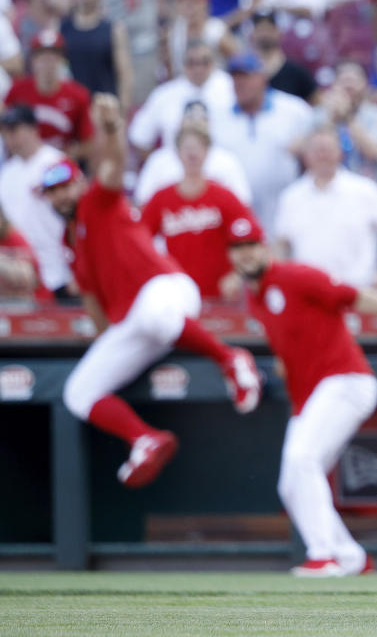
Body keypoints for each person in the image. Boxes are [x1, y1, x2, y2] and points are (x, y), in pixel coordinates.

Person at [226, 209, 377, 577]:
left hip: (346, 379)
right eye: (237, 247)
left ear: (265, 246)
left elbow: (356, 296)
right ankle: (350, 557)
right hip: (310, 395)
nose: (246, 253)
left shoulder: (295, 275)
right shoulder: (253, 297)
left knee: (303, 459)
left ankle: (324, 555)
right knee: (291, 484)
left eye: (251, 244)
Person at [43, 94, 261, 490]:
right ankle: (144, 438)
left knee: (153, 316)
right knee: (78, 391)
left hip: (168, 290)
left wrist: (111, 127)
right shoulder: (69, 241)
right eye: (51, 192)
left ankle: (231, 359)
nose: (59, 196)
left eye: (63, 187)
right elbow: (93, 302)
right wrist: (108, 345)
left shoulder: (96, 201)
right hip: (134, 321)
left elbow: (112, 165)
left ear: (77, 182)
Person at [274, 126, 377, 289]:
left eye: (327, 149)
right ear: (306, 155)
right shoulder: (291, 197)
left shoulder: (364, 190)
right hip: (309, 292)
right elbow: (281, 243)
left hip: (357, 290)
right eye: (317, 150)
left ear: (340, 153)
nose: (322, 155)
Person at [139, 124, 248, 301]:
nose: (192, 154)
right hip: (178, 295)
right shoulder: (161, 198)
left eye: (198, 147)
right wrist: (156, 274)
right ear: (177, 153)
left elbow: (251, 239)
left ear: (207, 151)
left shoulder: (224, 197)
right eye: (187, 147)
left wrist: (236, 275)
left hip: (219, 296)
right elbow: (139, 241)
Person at [210, 52, 314, 235]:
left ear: (262, 78)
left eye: (246, 76)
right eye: (235, 77)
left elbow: (318, 141)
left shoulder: (293, 110)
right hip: (235, 213)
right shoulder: (218, 117)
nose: (239, 83)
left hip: (284, 208)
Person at [0, 105, 69, 296]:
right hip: (20, 273)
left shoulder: (56, 163)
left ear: (32, 128)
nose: (9, 136)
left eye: (14, 129)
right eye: (5, 131)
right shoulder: (7, 172)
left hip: (56, 268)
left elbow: (75, 213)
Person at [129, 40, 235, 158]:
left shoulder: (232, 89)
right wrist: (163, 163)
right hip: (177, 170)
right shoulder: (164, 94)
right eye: (191, 63)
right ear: (183, 64)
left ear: (214, 63)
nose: (198, 69)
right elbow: (139, 137)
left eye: (204, 62)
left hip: (221, 167)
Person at [134, 99, 250, 206]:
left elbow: (243, 205)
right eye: (191, 118)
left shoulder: (226, 161)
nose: (196, 124)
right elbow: (143, 203)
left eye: (201, 119)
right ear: (181, 122)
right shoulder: (159, 160)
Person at [4, 30, 93, 155]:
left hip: (60, 167)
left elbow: (88, 141)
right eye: (42, 56)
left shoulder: (78, 95)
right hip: (23, 163)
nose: (48, 62)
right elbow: (5, 127)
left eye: (54, 56)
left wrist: (61, 158)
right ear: (33, 60)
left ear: (62, 60)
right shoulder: (17, 91)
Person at [61, 0, 133, 106]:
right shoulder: (63, 29)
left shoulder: (113, 29)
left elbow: (124, 72)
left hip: (104, 102)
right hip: (73, 104)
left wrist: (124, 106)